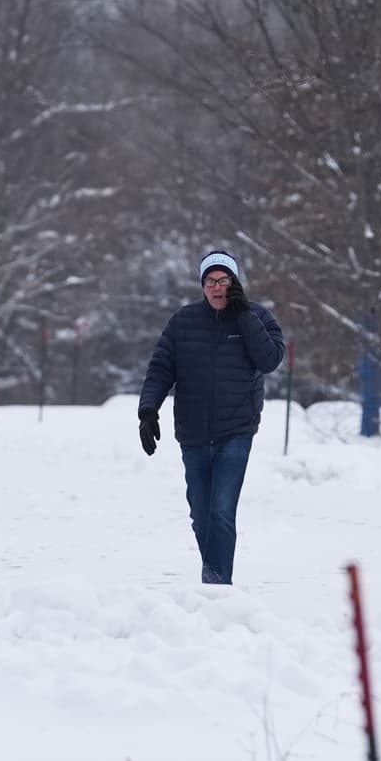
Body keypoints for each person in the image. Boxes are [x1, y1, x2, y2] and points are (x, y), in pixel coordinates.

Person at [138, 250, 286, 585]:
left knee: (221, 510)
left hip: (236, 430)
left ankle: (217, 586)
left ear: (235, 284)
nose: (217, 288)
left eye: (224, 281)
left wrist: (244, 314)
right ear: (202, 286)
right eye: (210, 282)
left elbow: (269, 360)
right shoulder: (183, 322)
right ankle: (215, 577)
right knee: (201, 517)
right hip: (192, 433)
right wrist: (148, 410)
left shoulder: (257, 318)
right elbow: (161, 369)